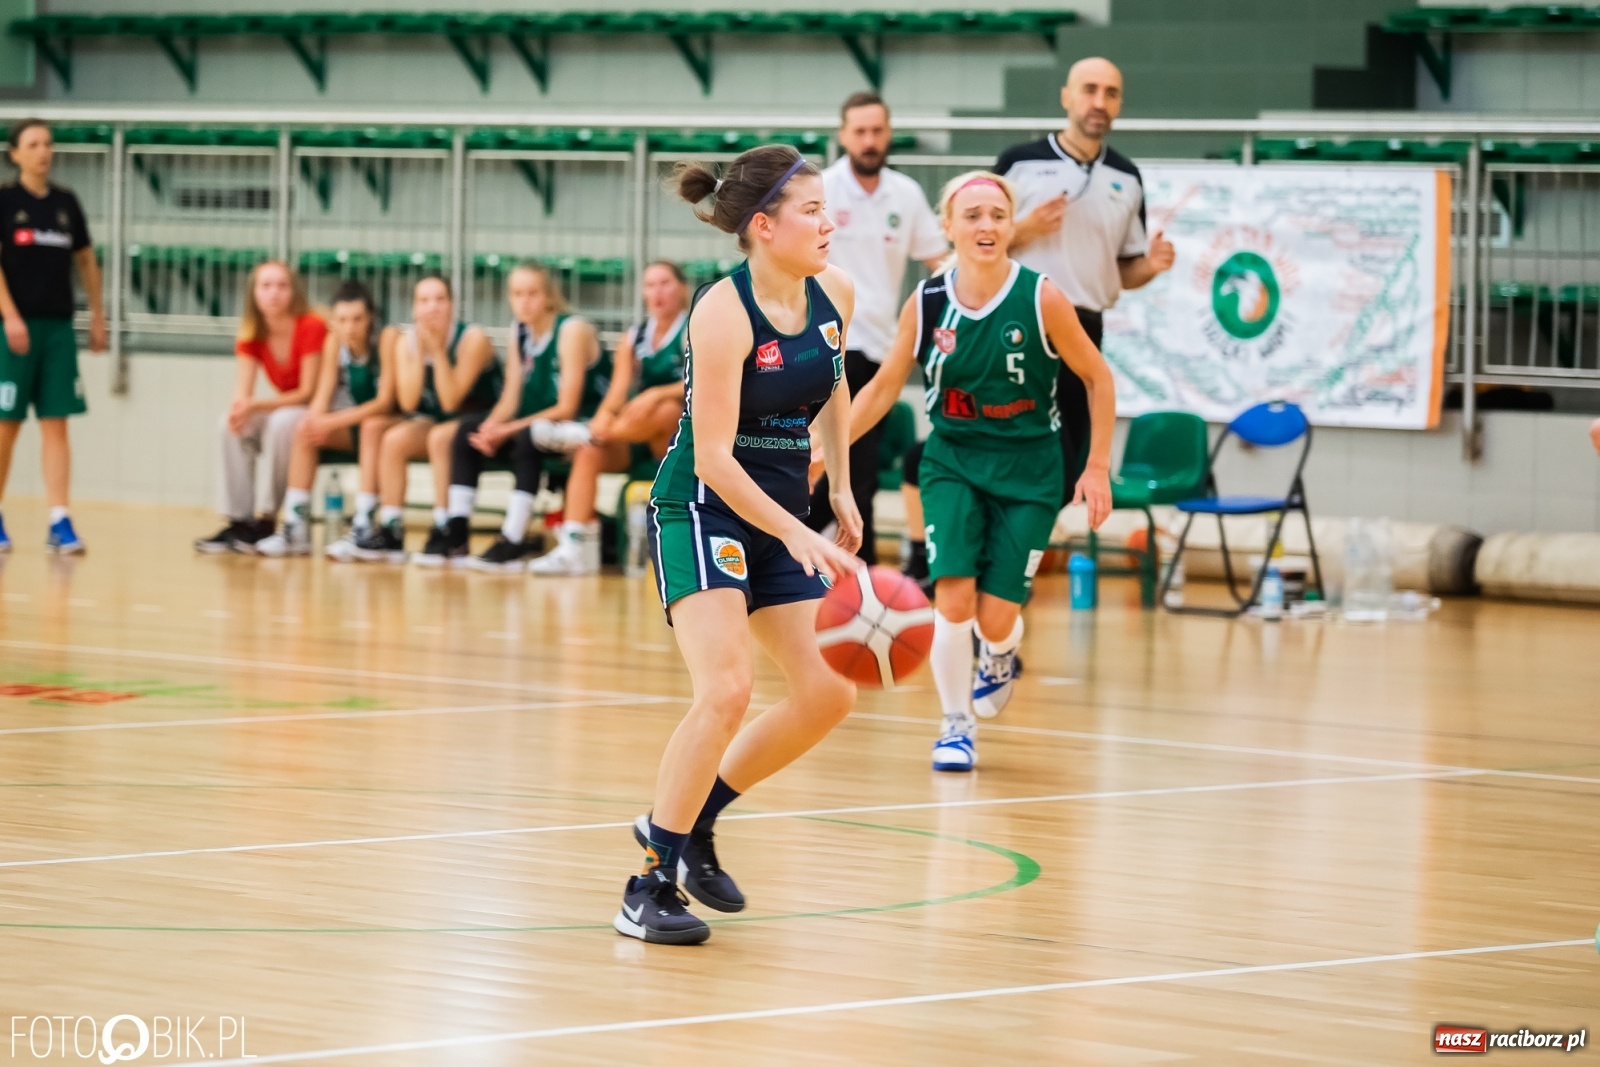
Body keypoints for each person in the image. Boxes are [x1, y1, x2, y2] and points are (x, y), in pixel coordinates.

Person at [614, 144, 861, 946]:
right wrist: (799, 529)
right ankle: (647, 878)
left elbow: (834, 387)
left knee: (830, 692)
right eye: (813, 210)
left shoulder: (837, 294)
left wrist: (845, 489)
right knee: (726, 686)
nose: (830, 222)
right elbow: (716, 457)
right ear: (764, 226)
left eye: (827, 208)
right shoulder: (722, 311)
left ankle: (698, 821)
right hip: (701, 507)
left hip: (781, 509)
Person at [844, 172, 1114, 772]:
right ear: (948, 227)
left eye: (997, 215)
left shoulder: (1042, 297)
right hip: (954, 461)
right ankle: (954, 724)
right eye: (973, 216)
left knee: (996, 617)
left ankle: (1000, 650)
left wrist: (1096, 467)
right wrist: (826, 447)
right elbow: (885, 387)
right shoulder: (928, 302)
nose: (986, 226)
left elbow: (1098, 378)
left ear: (1012, 224)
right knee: (954, 598)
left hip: (1031, 467)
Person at [994, 56, 1173, 502]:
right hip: (1019, 324)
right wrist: (1024, 230)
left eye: (1110, 93)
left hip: (1086, 330)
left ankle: (1028, 559)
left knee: (1069, 460)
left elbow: (1125, 270)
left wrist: (1149, 267)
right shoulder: (1018, 164)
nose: (1099, 101)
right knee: (1020, 453)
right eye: (1089, 90)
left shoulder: (1127, 178)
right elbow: (974, 243)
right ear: (1067, 97)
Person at [807, 92, 946, 564]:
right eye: (859, 131)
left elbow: (938, 260)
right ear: (843, 135)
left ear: (888, 133)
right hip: (821, 346)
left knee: (859, 466)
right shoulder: (820, 188)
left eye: (877, 131)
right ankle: (795, 561)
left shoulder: (905, 194)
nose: (869, 140)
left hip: (878, 350)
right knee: (804, 456)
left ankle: (856, 575)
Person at [423, 262, 602, 570]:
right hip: (536, 427)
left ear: (548, 297)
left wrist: (507, 430)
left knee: (524, 436)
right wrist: (492, 428)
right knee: (468, 430)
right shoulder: (519, 331)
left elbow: (567, 407)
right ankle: (456, 533)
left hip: (579, 428)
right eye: (517, 294)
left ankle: (513, 538)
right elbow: (510, 397)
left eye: (532, 293)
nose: (524, 301)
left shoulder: (571, 329)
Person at [528, 259, 690, 576]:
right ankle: (573, 548)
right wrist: (602, 417)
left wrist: (654, 393)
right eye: (650, 285)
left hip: (676, 437)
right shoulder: (635, 336)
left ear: (682, 288)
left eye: (665, 283)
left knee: (666, 409)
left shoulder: (691, 328)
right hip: (634, 431)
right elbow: (616, 393)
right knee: (590, 453)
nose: (657, 292)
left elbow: (697, 381)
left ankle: (583, 432)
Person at [0, 118, 107, 554]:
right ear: (15, 154)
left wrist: (98, 315)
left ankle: (59, 519)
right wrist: (9, 316)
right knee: (6, 424)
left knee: (56, 423)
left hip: (58, 327)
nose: (44, 151)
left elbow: (86, 260)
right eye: (33, 144)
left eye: (48, 143)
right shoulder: (5, 201)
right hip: (14, 327)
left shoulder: (66, 202)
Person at [347, 275, 498, 563]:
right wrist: (419, 351)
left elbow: (452, 400)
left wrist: (439, 351)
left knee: (439, 438)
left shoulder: (473, 338)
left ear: (453, 306)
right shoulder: (407, 343)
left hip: (481, 418)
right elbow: (408, 402)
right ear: (414, 309)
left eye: (440, 299)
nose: (433, 307)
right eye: (424, 301)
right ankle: (392, 529)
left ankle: (446, 528)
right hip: (439, 420)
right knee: (393, 440)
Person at [256, 280, 399, 557]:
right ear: (333, 322)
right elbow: (323, 395)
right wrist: (315, 421)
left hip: (388, 424)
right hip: (351, 426)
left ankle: (364, 526)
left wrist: (332, 422)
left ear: (370, 317)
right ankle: (296, 527)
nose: (350, 327)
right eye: (342, 320)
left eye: (357, 319)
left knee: (371, 426)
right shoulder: (334, 342)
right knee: (304, 430)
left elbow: (385, 402)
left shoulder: (387, 338)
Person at [194, 260, 327, 554]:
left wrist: (254, 404)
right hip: (284, 405)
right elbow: (242, 392)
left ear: (294, 291)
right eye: (266, 286)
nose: (274, 293)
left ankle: (268, 518)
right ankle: (239, 521)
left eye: (282, 286)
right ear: (254, 293)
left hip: (317, 407)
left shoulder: (311, 325)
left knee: (281, 423)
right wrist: (239, 411)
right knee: (229, 426)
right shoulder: (251, 330)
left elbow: (307, 393)